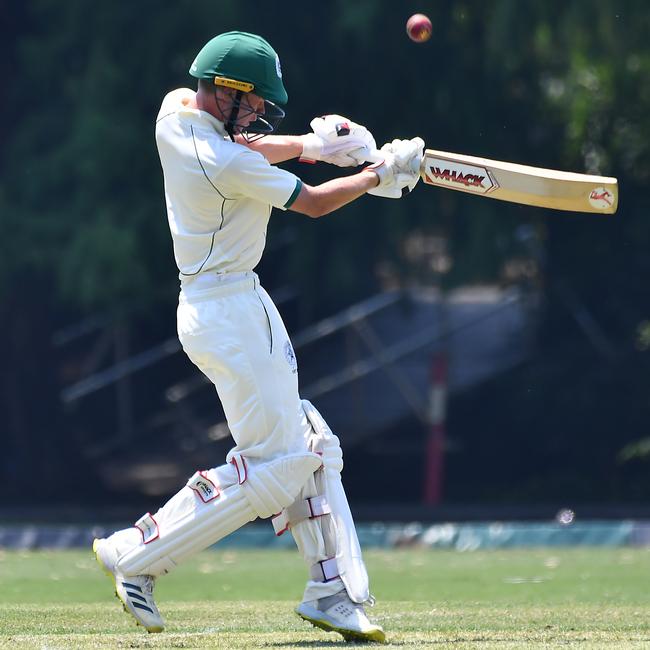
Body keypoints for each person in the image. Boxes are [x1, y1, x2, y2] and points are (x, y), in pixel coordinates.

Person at [93, 31, 422, 644]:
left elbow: (251, 144)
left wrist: (313, 145)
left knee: (310, 445)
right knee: (278, 467)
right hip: (232, 313)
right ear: (225, 92)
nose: (259, 116)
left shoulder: (175, 111)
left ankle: (334, 592)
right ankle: (136, 553)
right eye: (253, 104)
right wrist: (379, 173)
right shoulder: (226, 165)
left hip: (222, 306)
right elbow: (317, 205)